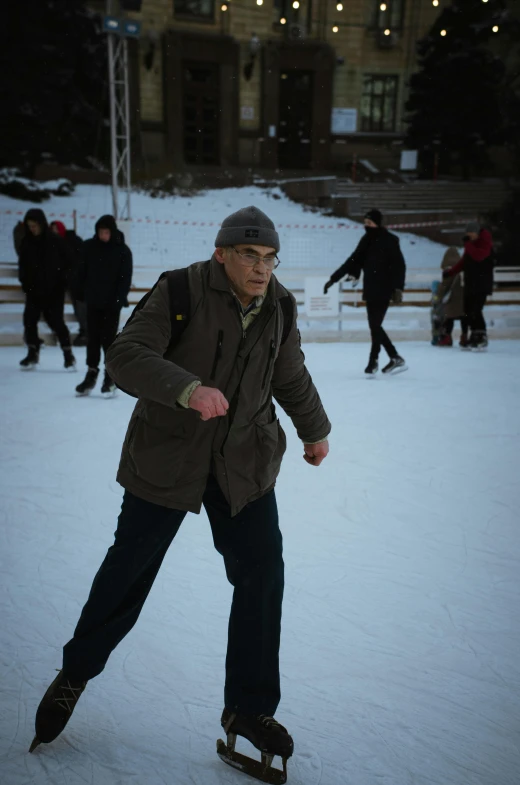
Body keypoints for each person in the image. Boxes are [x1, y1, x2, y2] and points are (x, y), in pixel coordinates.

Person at [30, 206, 331, 777]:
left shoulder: (279, 306)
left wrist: (314, 429)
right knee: (128, 570)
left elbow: (288, 373)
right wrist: (187, 389)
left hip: (243, 462)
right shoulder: (181, 290)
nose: (261, 269)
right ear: (221, 253)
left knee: (263, 574)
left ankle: (248, 709)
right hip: (169, 455)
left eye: (269, 258)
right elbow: (124, 356)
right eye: (249, 255)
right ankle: (75, 674)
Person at [324, 209, 407, 375]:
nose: (366, 226)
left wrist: (398, 288)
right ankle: (384, 360)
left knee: (375, 325)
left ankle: (382, 359)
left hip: (385, 289)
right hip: (370, 289)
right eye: (365, 223)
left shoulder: (390, 240)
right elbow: (352, 260)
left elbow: (399, 266)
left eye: (369, 223)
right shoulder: (366, 240)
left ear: (377, 223)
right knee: (374, 326)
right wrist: (333, 279)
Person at [75, 215, 133, 396]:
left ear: (113, 231)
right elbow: (80, 271)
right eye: (100, 232)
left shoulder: (122, 251)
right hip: (93, 302)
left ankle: (110, 376)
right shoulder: (89, 248)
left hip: (111, 304)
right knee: (92, 338)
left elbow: (125, 278)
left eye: (106, 232)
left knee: (109, 340)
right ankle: (91, 372)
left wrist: (119, 299)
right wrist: (81, 293)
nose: (103, 235)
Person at [17, 209, 76, 370]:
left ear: (42, 224)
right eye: (30, 226)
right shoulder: (26, 243)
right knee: (29, 321)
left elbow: (70, 263)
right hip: (33, 291)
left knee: (56, 322)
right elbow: (22, 266)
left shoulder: (56, 242)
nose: (33, 229)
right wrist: (25, 283)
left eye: (35, 226)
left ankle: (68, 354)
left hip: (54, 291)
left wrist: (62, 281)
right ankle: (32, 353)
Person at [443, 221, 494, 351]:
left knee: (476, 310)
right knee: (467, 311)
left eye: (471, 234)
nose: (469, 237)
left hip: (482, 283)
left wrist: (467, 244)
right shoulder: (471, 245)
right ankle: (474, 336)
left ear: (477, 233)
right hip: (470, 282)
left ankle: (481, 336)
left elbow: (478, 256)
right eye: (468, 234)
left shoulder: (485, 244)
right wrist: (451, 272)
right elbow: (464, 261)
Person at [50, 221, 88, 347]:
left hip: (78, 281)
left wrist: (71, 274)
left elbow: (78, 260)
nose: (54, 232)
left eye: (56, 229)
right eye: (52, 229)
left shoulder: (72, 240)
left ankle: (86, 332)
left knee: (81, 307)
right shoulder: (52, 243)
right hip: (65, 282)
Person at [432, 247, 469, 348]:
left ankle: (447, 338)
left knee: (449, 319)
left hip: (451, 301)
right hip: (464, 299)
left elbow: (444, 286)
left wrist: (438, 296)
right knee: (464, 318)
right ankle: (464, 337)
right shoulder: (463, 269)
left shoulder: (448, 271)